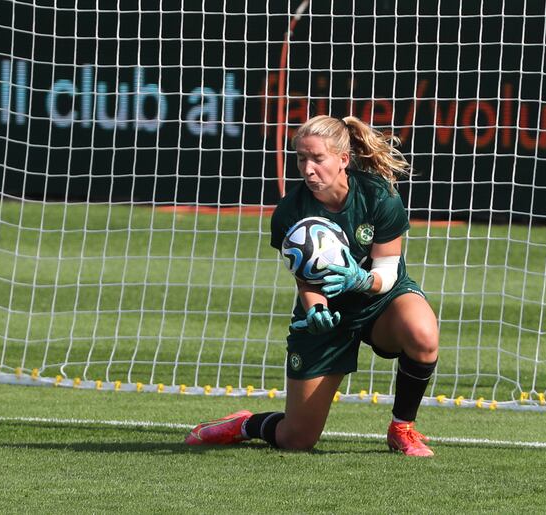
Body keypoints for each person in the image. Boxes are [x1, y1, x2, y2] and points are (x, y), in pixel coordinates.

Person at [184, 115, 439, 457]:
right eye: (302, 159)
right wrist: (316, 309)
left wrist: (361, 279)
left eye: (317, 158)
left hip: (381, 301)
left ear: (343, 160)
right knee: (297, 439)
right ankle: (244, 424)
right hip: (329, 309)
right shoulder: (291, 210)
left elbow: (388, 273)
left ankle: (402, 429)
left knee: (423, 333)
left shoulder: (379, 196)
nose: (308, 168)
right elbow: (306, 278)